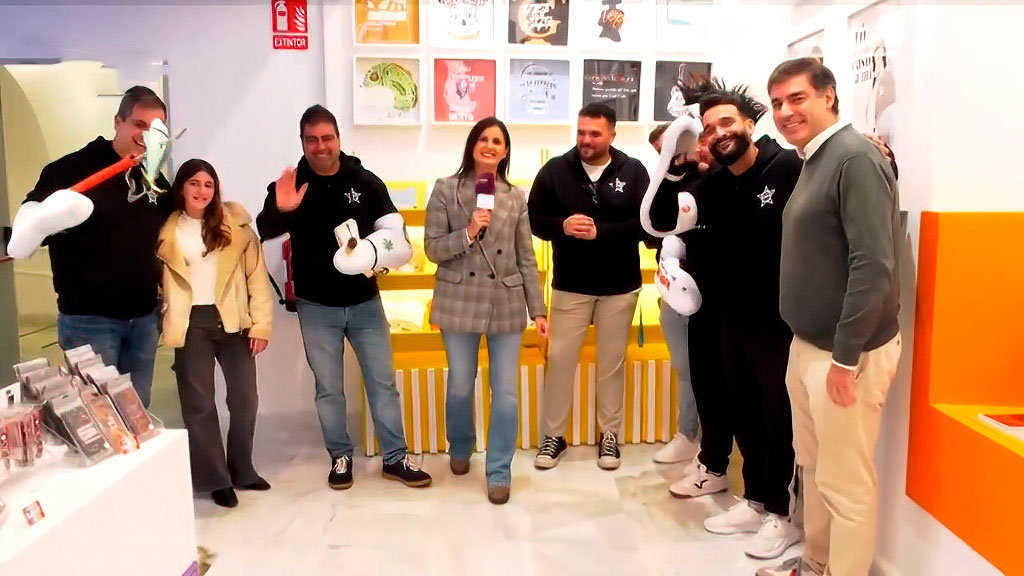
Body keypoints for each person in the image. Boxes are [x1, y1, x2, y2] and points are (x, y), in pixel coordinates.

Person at [768, 58, 902, 576]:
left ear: (828, 96)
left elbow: (873, 265)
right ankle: (816, 563)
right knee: (814, 468)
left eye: (797, 98)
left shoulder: (854, 159)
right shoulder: (816, 157)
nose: (785, 111)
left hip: (845, 355)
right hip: (808, 345)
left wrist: (846, 359)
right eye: (778, 103)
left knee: (846, 484)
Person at [256, 105, 431, 490]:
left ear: (338, 139)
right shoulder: (289, 184)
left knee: (382, 383)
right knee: (329, 388)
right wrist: (283, 210)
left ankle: (395, 458)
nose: (320, 146)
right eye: (312, 140)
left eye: (327, 138)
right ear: (302, 142)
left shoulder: (365, 181)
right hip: (316, 306)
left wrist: (381, 255)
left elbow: (394, 234)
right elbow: (264, 229)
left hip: (365, 302)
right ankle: (340, 456)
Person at [670, 80, 804, 561]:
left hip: (779, 321)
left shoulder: (787, 166)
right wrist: (675, 165)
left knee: (777, 418)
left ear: (749, 123)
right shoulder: (717, 182)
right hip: (731, 315)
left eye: (726, 122)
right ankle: (755, 500)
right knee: (743, 410)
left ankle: (782, 516)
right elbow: (664, 217)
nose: (718, 133)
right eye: (709, 128)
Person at [11, 86, 172, 407]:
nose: (147, 136)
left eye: (156, 129)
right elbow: (29, 227)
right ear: (118, 122)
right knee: (98, 416)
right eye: (139, 124)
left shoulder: (152, 176)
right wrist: (37, 222)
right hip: (90, 320)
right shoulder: (70, 170)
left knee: (137, 412)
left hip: (143, 319)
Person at [424, 117, 549, 505]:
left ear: (505, 151)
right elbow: (432, 248)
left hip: (505, 302)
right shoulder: (445, 189)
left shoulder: (515, 197)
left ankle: (499, 470)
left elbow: (526, 257)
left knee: (506, 392)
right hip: (459, 299)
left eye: (497, 141)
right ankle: (461, 445)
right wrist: (467, 231)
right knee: (461, 384)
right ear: (472, 145)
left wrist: (539, 310)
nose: (490, 146)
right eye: (483, 139)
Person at [528, 103, 650, 471]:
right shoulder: (554, 170)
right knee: (560, 361)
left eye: (595, 134)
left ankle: (609, 435)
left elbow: (646, 225)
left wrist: (604, 232)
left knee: (612, 364)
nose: (586, 140)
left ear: (612, 133)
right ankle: (553, 436)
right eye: (581, 132)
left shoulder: (633, 171)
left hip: (620, 286)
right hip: (570, 285)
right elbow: (533, 219)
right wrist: (561, 226)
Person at [157, 159, 273, 508]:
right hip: (191, 323)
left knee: (245, 400)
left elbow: (257, 278)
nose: (201, 191)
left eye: (208, 184)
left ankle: (243, 470)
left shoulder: (235, 226)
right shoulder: (167, 230)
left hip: (233, 320)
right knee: (199, 405)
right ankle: (215, 479)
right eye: (194, 183)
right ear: (181, 187)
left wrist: (261, 325)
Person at [646, 122, 700, 465]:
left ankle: (706, 441)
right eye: (661, 152)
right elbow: (651, 230)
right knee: (684, 366)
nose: (670, 156)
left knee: (706, 368)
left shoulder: (710, 179)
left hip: (707, 290)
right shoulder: (662, 184)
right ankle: (688, 434)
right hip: (673, 288)